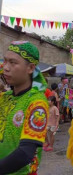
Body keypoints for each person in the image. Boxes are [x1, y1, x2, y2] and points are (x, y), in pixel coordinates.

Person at [0, 41, 48, 174]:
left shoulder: (37, 103)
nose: (6, 67)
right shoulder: (4, 97)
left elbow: (25, 153)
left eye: (13, 62)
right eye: (5, 61)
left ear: (31, 68)